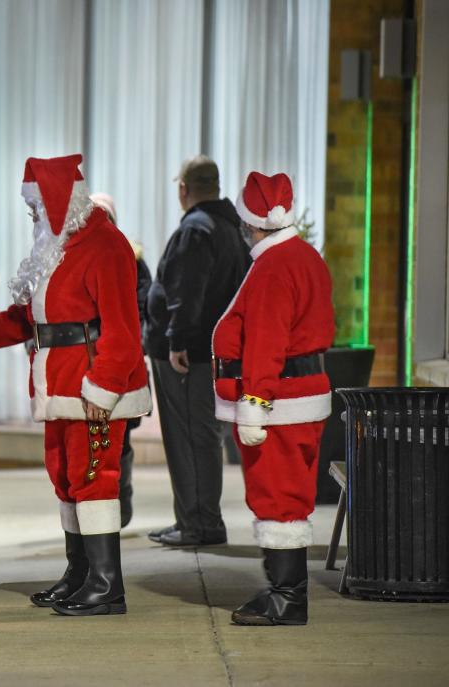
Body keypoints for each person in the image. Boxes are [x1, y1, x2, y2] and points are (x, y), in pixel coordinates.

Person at [0, 155, 151, 616]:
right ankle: (80, 575)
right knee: (66, 477)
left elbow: (122, 328)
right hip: (59, 386)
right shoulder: (56, 250)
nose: (33, 217)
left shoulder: (106, 247)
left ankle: (106, 584)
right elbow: (27, 322)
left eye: (37, 209)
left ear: (59, 204)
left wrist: (104, 388)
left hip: (91, 388)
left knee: (95, 478)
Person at [213, 171, 334, 625]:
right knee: (289, 497)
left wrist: (254, 405)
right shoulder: (304, 257)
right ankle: (283, 591)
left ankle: (288, 597)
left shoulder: (273, 266)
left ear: (251, 220)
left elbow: (265, 342)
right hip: (299, 396)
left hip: (278, 402)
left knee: (277, 497)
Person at [145, 155, 250, 547]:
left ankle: (198, 524)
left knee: (188, 436)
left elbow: (186, 292)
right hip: (214, 352)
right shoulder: (231, 227)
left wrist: (177, 342)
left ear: (184, 189)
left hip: (190, 355)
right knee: (203, 435)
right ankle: (201, 520)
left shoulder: (196, 229)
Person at [89, 192, 152, 528]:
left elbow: (141, 310)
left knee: (121, 436)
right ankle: (102, 503)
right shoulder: (78, 257)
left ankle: (120, 497)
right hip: (89, 363)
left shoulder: (130, 258)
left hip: (121, 362)